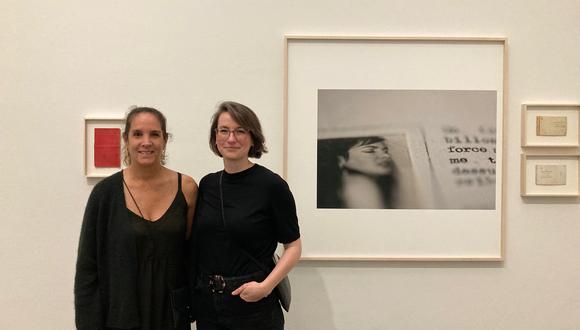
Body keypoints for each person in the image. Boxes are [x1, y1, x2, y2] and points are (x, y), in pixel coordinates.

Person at [75, 107, 198, 330]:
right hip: (121, 316)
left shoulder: (187, 188)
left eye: (155, 134)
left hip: (171, 317)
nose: (146, 142)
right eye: (138, 134)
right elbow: (87, 269)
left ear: (165, 140)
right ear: (126, 139)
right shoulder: (105, 194)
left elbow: (192, 255)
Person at [192, 101, 301, 329]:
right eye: (224, 130)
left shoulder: (272, 185)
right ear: (215, 137)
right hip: (209, 304)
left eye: (240, 131)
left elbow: (293, 247)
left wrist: (265, 287)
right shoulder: (208, 184)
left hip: (253, 306)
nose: (231, 138)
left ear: (253, 138)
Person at [317, 136, 397, 209]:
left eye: (385, 150)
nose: (386, 156)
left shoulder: (342, 184)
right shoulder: (360, 185)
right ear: (341, 160)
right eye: (370, 150)